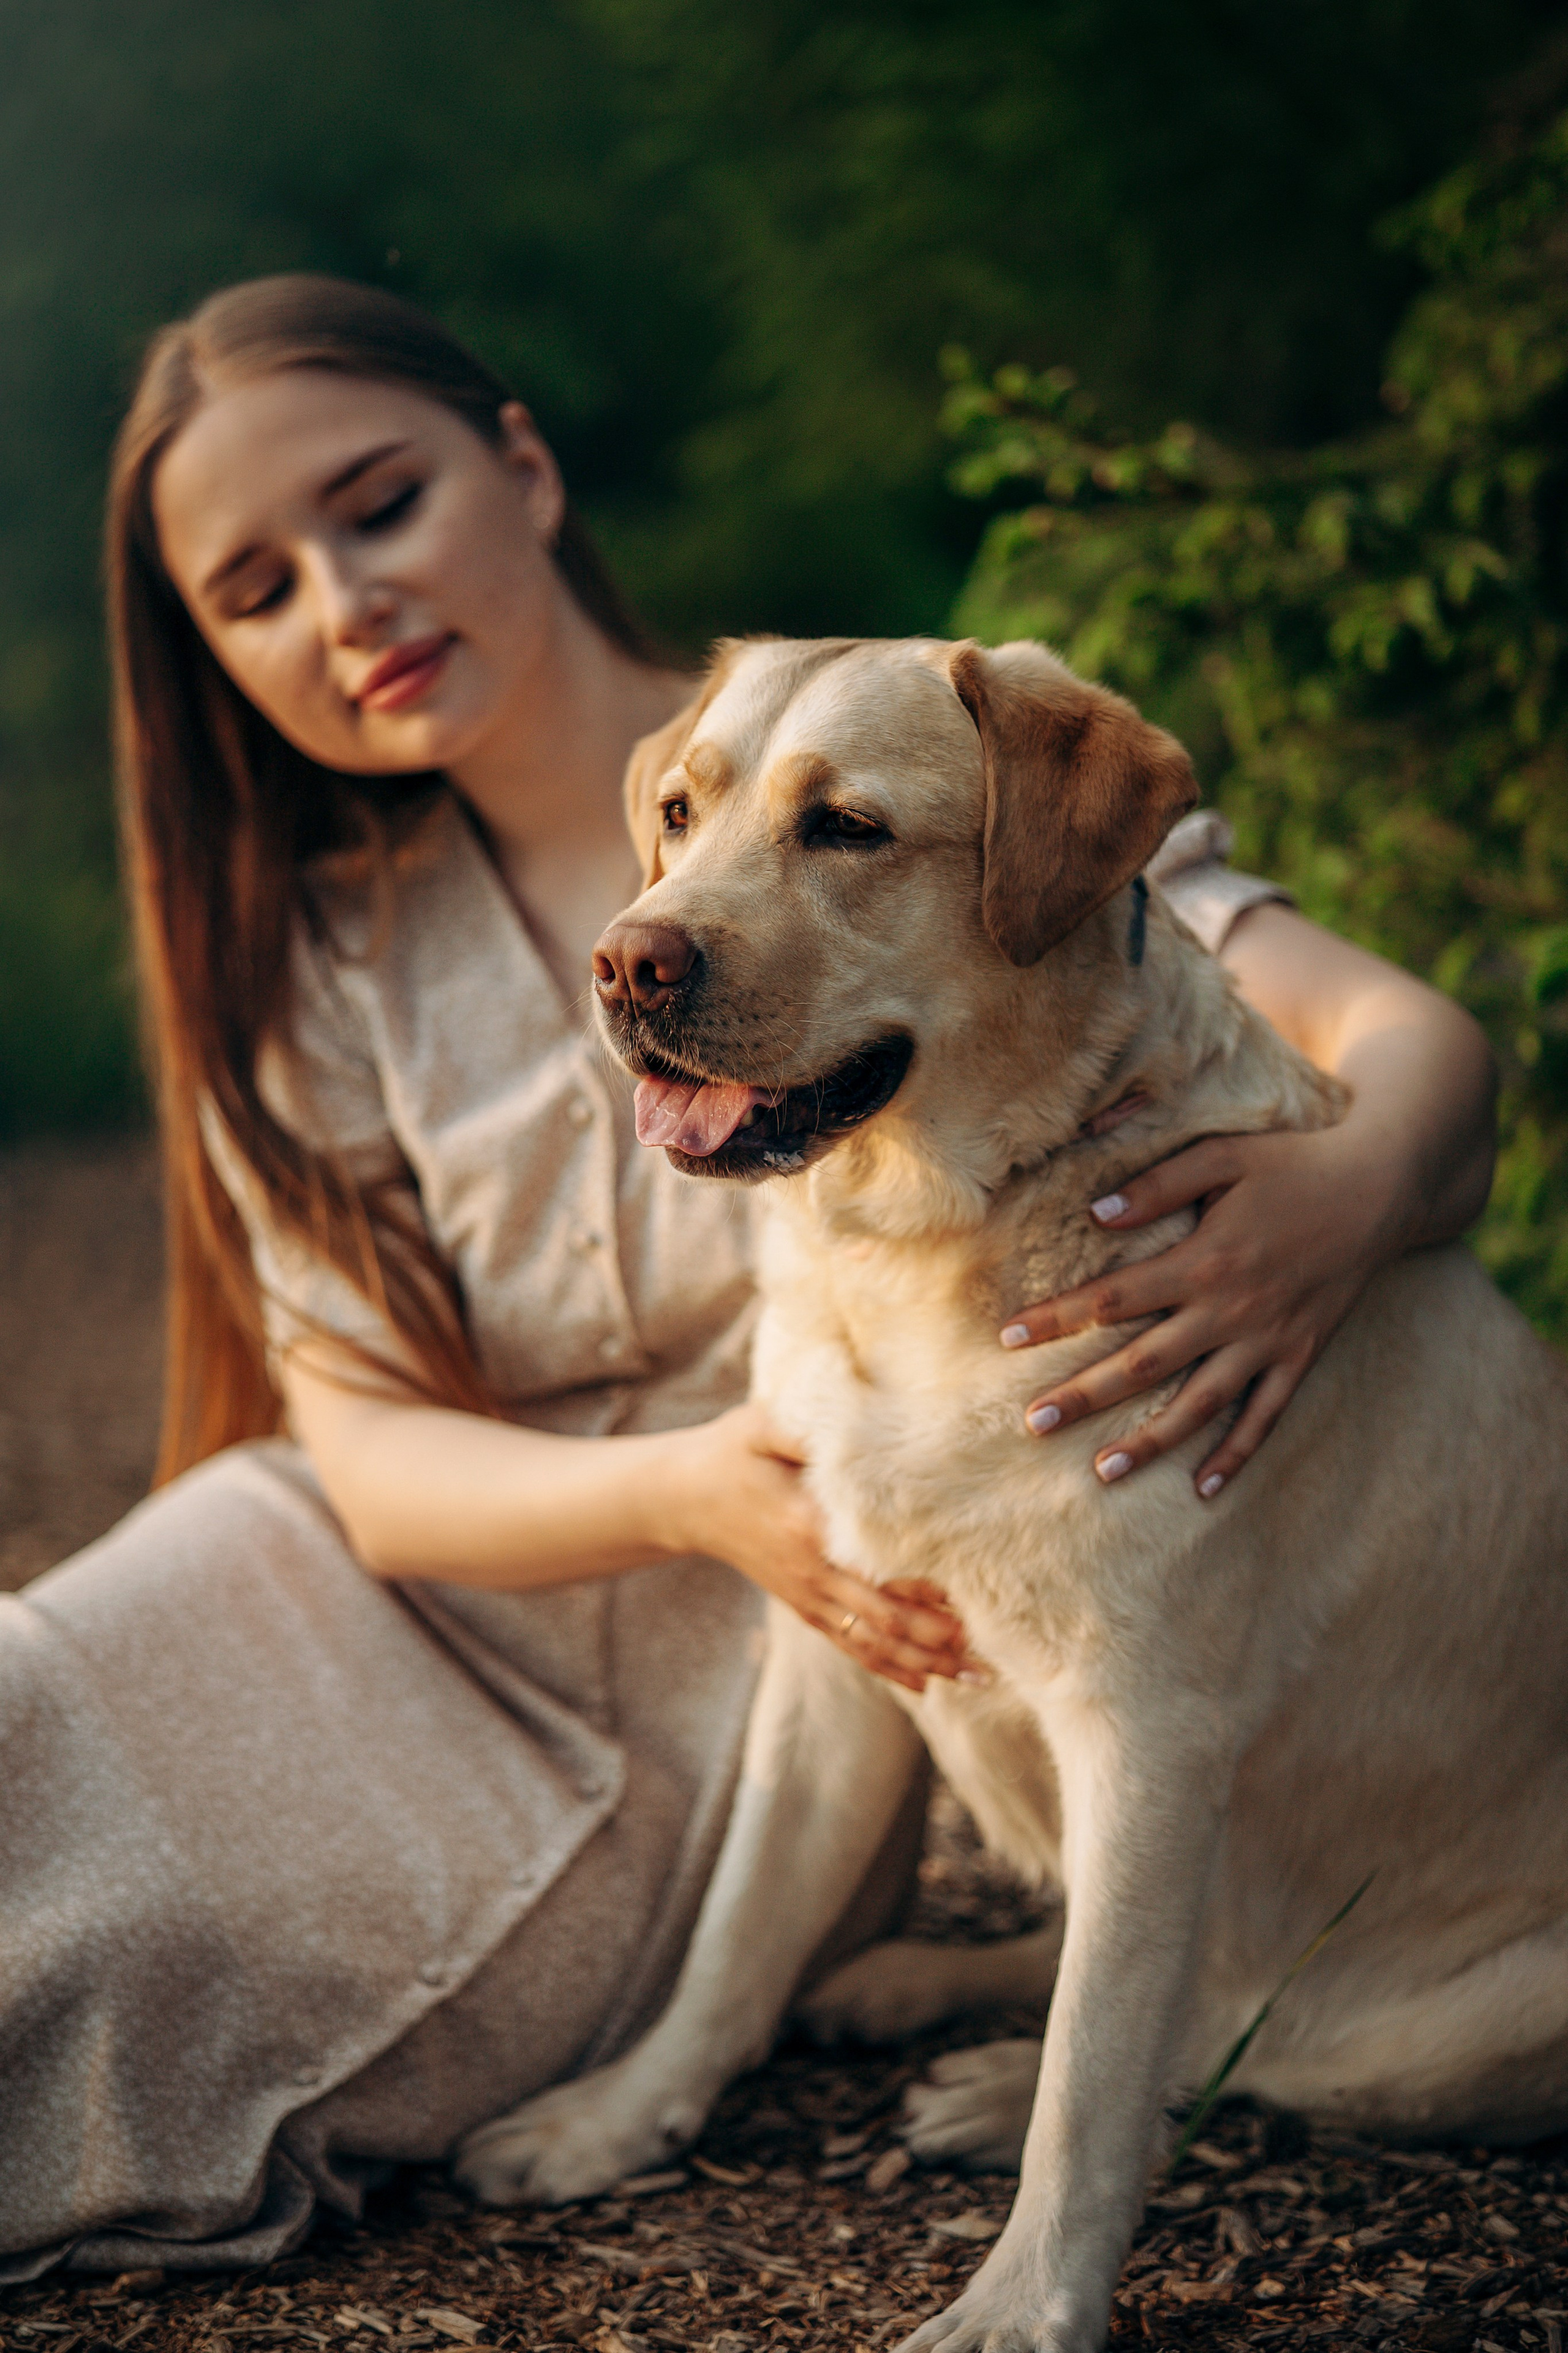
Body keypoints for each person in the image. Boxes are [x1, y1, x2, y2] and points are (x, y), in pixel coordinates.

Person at [0, 275, 1496, 2279]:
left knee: (158, 1982)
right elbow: (361, 1463)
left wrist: (1352, 1191)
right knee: (25, 1715)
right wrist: (699, 1483)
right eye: (254, 586)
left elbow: (1401, 1047)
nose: (346, 600)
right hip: (417, 1571)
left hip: (702, 1710)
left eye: (379, 502)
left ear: (519, 467)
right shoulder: (323, 961)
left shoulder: (910, 748)